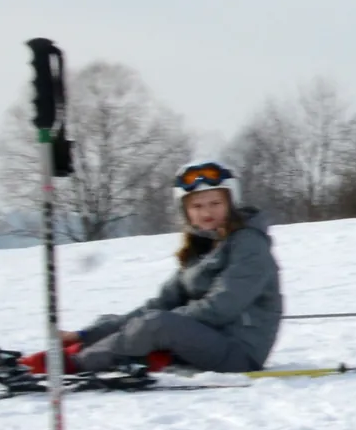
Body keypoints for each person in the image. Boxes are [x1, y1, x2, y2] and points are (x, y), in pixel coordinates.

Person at [23, 160, 283, 374]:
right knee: (131, 320)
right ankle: (71, 351)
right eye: (197, 205)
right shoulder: (202, 247)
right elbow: (159, 304)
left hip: (238, 353)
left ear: (230, 204)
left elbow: (221, 308)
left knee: (156, 324)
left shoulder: (250, 245)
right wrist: (85, 335)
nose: (207, 212)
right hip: (205, 344)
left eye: (215, 203)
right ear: (187, 212)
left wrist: (151, 325)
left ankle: (76, 364)